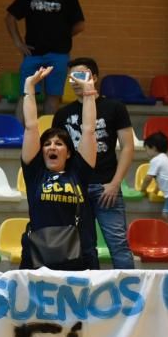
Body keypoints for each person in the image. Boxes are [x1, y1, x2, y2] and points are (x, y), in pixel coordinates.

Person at [53, 57, 135, 269]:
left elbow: (127, 147)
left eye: (79, 76)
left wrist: (115, 184)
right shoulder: (62, 114)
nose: (73, 81)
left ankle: (130, 297)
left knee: (118, 244)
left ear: (94, 77)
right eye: (71, 77)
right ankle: (90, 296)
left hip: (106, 186)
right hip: (76, 189)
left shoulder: (114, 107)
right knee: (84, 247)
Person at [20, 66, 98, 271]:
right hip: (38, 257)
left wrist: (89, 93)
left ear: (69, 152)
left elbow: (89, 130)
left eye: (59, 144)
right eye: (47, 144)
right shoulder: (35, 172)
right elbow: (30, 126)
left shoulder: (79, 172)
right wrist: (29, 87)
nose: (52, 147)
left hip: (77, 256)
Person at [6, 0, 86, 116]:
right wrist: (18, 43)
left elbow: (80, 25)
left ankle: (48, 135)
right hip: (33, 54)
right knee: (27, 94)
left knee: (54, 96)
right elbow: (10, 17)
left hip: (58, 55)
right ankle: (19, 136)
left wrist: (63, 36)